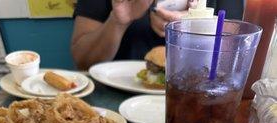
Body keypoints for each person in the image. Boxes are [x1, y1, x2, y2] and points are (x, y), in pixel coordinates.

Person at [71, 0, 244, 70]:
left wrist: (197, 25)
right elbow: (84, 61)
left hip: (192, 102)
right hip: (116, 101)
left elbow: (234, 63)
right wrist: (117, 21)